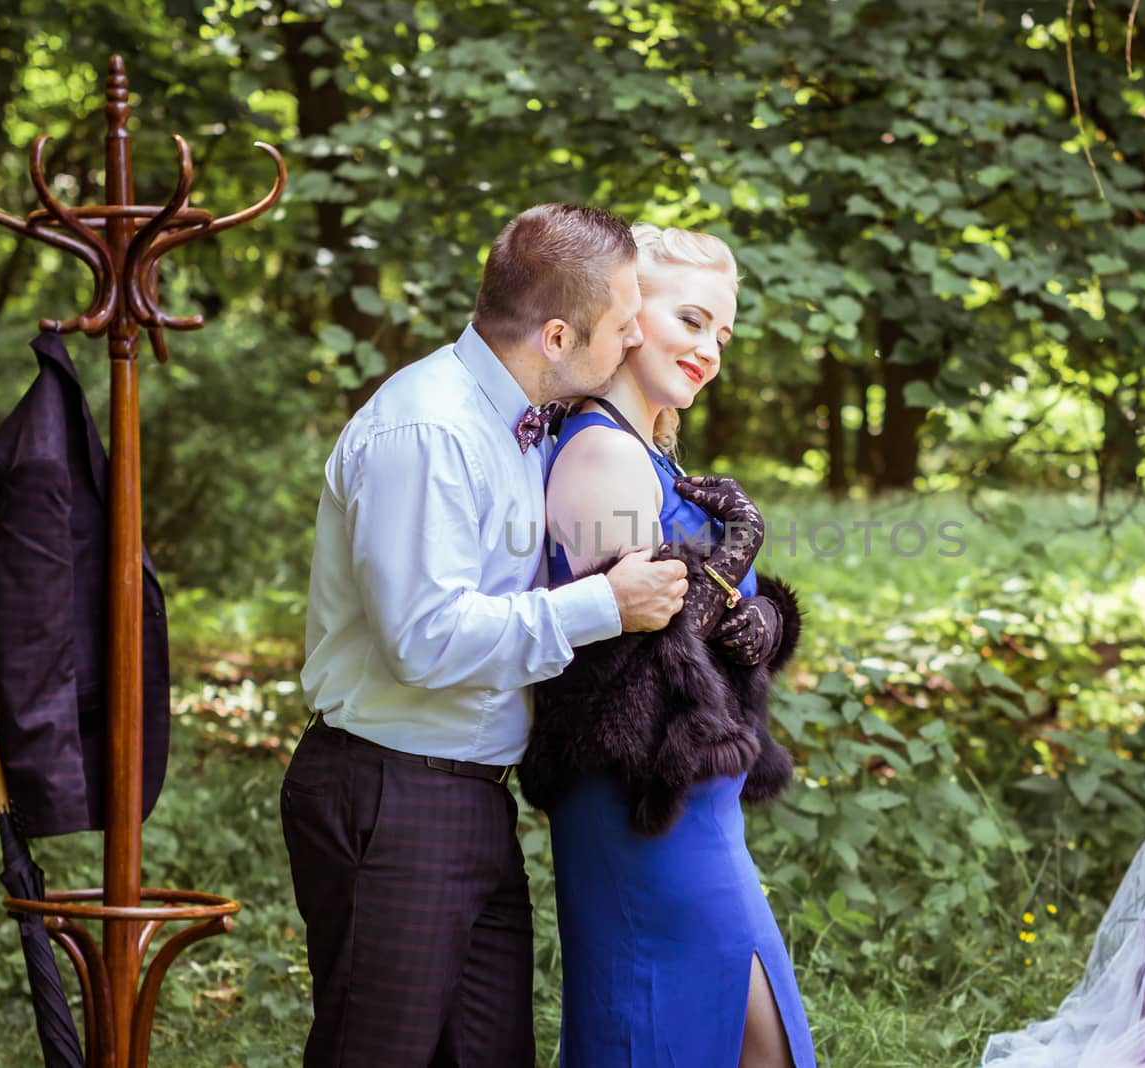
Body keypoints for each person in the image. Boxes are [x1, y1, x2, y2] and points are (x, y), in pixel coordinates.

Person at [280, 204, 690, 1068]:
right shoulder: (429, 429)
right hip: (391, 790)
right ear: (554, 335)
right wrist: (604, 608)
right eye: (621, 328)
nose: (629, 345)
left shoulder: (523, 422)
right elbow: (423, 639)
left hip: (469, 797)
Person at [520, 224, 817, 1067]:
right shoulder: (606, 456)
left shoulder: (649, 455)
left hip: (693, 807)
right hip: (641, 811)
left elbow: (695, 631)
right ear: (626, 317)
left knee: (758, 1048)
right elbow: (630, 664)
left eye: (722, 334)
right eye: (692, 321)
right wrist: (732, 559)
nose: (710, 350)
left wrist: (767, 622)